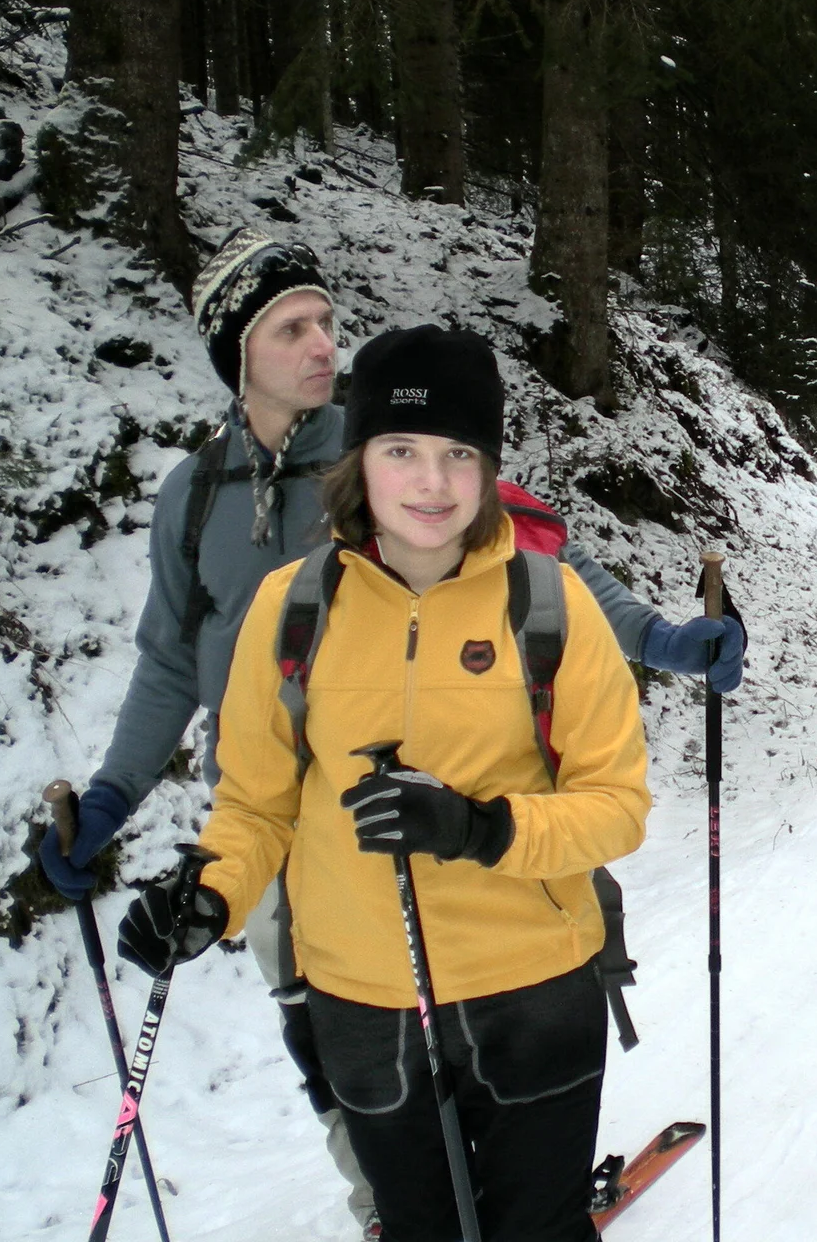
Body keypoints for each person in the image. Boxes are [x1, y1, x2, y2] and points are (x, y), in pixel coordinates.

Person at [39, 227, 744, 1238]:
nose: (430, 480)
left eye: (458, 455)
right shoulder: (221, 526)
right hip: (344, 943)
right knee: (372, 1141)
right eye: (292, 328)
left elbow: (564, 611)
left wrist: (655, 648)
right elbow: (205, 723)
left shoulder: (485, 541)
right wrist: (189, 872)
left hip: (528, 973)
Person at [115, 325, 651, 1242]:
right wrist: (209, 896)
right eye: (401, 450)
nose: (432, 483)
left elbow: (617, 808)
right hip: (362, 1002)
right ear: (358, 458)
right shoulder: (293, 607)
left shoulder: (550, 605)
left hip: (535, 991)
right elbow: (256, 806)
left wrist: (480, 828)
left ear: (489, 470)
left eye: (458, 454)